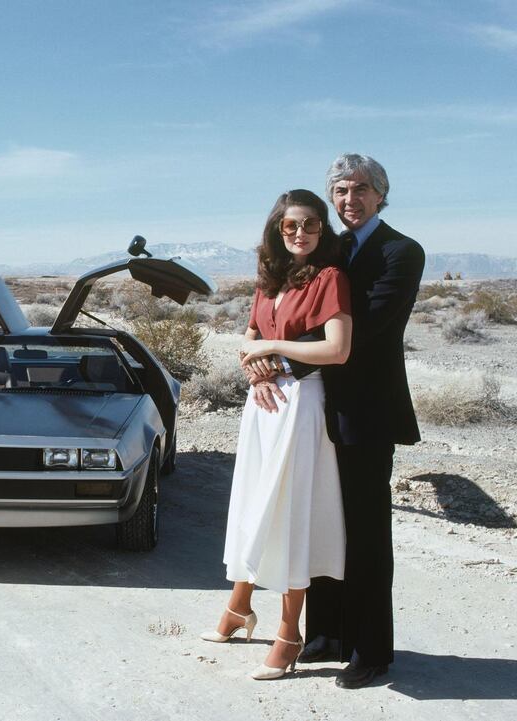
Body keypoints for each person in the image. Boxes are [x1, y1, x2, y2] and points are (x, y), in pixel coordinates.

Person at [252, 154, 425, 689]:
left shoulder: (401, 251)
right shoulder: (327, 249)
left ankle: (372, 649)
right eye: (342, 191)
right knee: (318, 518)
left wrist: (277, 357)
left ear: (380, 194)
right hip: (310, 407)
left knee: (366, 530)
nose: (350, 199)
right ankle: (327, 632)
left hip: (365, 413)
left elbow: (366, 328)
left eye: (361, 189)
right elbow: (284, 311)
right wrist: (260, 364)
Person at [200, 189, 352, 681]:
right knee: (253, 504)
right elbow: (247, 339)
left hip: (303, 408)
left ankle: (290, 633)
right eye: (291, 227)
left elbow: (337, 350)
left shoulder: (329, 278)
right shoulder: (268, 281)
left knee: (289, 512)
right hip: (263, 406)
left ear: (321, 230)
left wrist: (270, 348)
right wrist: (258, 371)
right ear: (276, 230)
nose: (301, 234)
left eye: (310, 225)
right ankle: (240, 607)